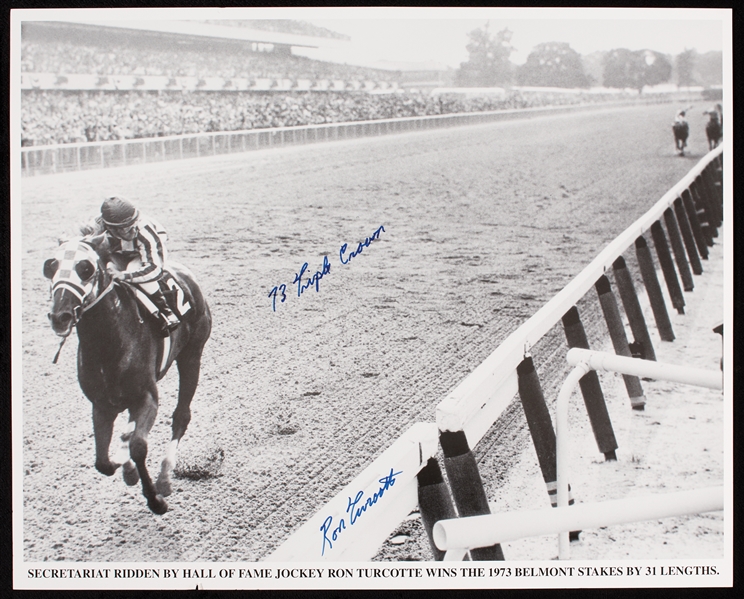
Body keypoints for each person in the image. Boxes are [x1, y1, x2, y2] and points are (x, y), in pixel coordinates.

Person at [99, 196, 180, 335]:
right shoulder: (97, 228)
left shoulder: (144, 231)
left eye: (133, 224)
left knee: (132, 269)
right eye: (124, 228)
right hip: (118, 251)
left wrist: (124, 275)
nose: (132, 231)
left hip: (146, 251)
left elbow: (154, 269)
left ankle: (166, 312)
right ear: (110, 227)